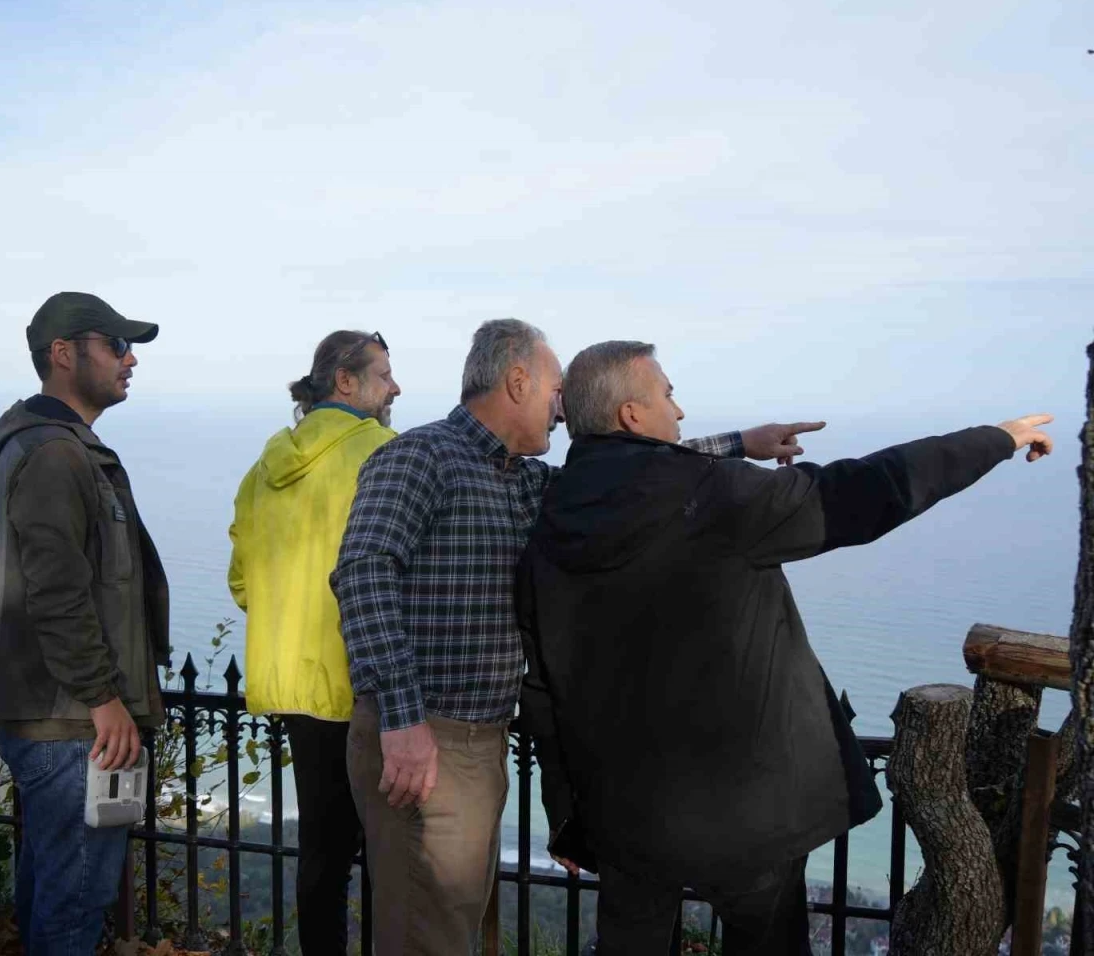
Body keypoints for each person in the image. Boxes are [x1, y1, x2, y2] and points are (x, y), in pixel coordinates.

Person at [515, 340, 1053, 955]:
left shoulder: (547, 521)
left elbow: (543, 690)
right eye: (667, 394)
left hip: (623, 818)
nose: (681, 410)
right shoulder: (713, 496)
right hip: (744, 815)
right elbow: (865, 491)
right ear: (633, 415)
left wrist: (566, 815)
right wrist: (996, 438)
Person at [331, 319, 824, 955]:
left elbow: (630, 477)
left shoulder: (527, 481)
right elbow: (364, 572)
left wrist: (740, 444)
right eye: (555, 390)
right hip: (423, 738)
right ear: (517, 382)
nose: (562, 410)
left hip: (477, 743)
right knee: (424, 937)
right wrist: (402, 722)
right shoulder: (419, 457)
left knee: (456, 928)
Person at [0, 291, 170, 955]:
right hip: (70, 720)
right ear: (64, 354)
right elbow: (55, 592)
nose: (130, 359)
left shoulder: (62, 449)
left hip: (63, 716)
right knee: (76, 899)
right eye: (115, 344)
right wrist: (104, 698)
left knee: (55, 885)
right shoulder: (55, 456)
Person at [227, 330, 400, 954]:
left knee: (321, 853)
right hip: (362, 682)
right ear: (346, 382)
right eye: (384, 375)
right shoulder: (386, 454)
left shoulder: (262, 470)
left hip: (291, 686)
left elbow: (243, 582)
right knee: (390, 853)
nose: (396, 388)